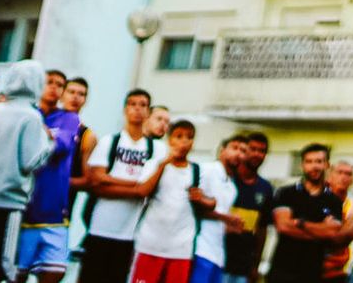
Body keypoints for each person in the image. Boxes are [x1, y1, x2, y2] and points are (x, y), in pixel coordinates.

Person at [0, 62, 52, 283]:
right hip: (9, 201)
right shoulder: (31, 117)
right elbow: (30, 162)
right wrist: (48, 144)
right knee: (3, 268)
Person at [79, 87, 166, 283]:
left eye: (143, 105)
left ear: (148, 112)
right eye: (133, 104)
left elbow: (148, 189)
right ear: (125, 109)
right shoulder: (110, 141)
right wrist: (135, 186)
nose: (137, 109)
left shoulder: (157, 149)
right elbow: (96, 181)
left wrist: (114, 184)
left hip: (131, 233)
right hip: (100, 228)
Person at [130, 119, 221, 283]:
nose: (184, 141)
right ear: (169, 139)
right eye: (179, 136)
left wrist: (201, 199)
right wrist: (163, 164)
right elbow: (142, 191)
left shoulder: (198, 170)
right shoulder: (155, 164)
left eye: (189, 137)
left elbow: (212, 202)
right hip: (150, 244)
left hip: (181, 248)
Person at [17, 70, 85, 283]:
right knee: (16, 274)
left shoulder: (69, 118)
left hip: (54, 212)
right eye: (49, 82)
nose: (54, 87)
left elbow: (60, 146)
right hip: (22, 210)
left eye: (60, 84)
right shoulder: (25, 112)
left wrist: (36, 128)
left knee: (54, 273)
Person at [268, 146, 353, 283]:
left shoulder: (333, 201)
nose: (314, 166)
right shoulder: (286, 193)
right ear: (302, 165)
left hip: (313, 274)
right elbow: (283, 226)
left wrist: (299, 223)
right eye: (309, 161)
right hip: (282, 272)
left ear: (326, 164)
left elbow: (333, 233)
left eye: (319, 161)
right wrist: (320, 229)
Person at [191, 133, 246, 283]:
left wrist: (231, 225)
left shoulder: (232, 187)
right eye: (235, 148)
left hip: (218, 253)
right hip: (199, 249)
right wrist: (225, 217)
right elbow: (193, 207)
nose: (239, 154)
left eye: (243, 151)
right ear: (222, 150)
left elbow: (219, 218)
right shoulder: (207, 170)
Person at [223, 131, 274, 283]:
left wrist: (255, 265)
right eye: (253, 149)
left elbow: (262, 229)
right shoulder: (227, 180)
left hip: (243, 267)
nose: (257, 154)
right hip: (219, 260)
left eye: (262, 151)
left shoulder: (265, 188)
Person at [62, 78, 96, 217]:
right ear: (62, 94)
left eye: (81, 94)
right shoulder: (44, 123)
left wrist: (57, 179)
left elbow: (87, 180)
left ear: (85, 100)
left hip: (62, 209)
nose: (75, 97)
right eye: (71, 92)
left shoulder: (87, 135)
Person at [322, 161, 353, 283]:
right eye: (340, 172)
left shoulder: (352, 207)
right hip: (314, 268)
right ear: (329, 176)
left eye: (348, 174)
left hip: (339, 271)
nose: (344, 177)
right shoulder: (319, 200)